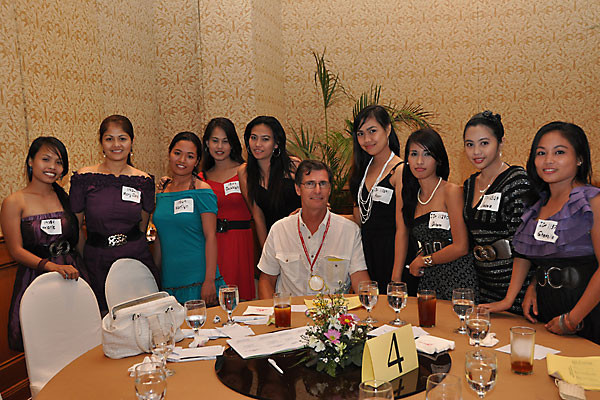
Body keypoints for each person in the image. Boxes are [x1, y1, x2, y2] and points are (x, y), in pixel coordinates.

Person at [484, 122, 600, 344]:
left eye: (559, 152)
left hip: (586, 312)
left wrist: (572, 320)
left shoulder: (592, 201)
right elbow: (530, 253)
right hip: (547, 311)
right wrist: (519, 293)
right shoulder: (537, 205)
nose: (548, 160)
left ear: (579, 158)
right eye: (541, 153)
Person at [2, 137, 86, 351]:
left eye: (59, 162)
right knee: (46, 344)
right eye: (46, 159)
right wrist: (52, 267)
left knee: (80, 339)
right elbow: (15, 250)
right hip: (36, 278)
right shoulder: (14, 202)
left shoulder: (65, 198)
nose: (52, 167)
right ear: (31, 161)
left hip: (73, 275)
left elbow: (78, 238)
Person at [70, 115, 158, 312]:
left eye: (122, 138)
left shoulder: (143, 180)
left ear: (131, 141)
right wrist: (88, 256)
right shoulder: (85, 178)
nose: (116, 145)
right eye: (109, 139)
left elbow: (142, 226)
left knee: (143, 315)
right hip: (97, 260)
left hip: (135, 257)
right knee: (104, 317)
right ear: (101, 143)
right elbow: (76, 227)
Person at [257, 160, 370, 298]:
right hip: (291, 309)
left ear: (330, 189)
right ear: (298, 189)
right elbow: (267, 280)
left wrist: (368, 303)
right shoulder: (280, 230)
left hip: (333, 309)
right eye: (310, 184)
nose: (317, 190)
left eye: (323, 184)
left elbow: (360, 279)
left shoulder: (349, 231)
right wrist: (272, 310)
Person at [462, 111, 531, 314]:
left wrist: (508, 300)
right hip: (483, 288)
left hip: (516, 291)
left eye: (484, 143)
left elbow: (523, 244)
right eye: (469, 144)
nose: (476, 151)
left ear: (501, 143)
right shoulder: (469, 185)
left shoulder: (517, 180)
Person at [402, 128, 478, 301]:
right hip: (429, 279)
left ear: (438, 159)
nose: (419, 161)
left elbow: (461, 246)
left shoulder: (451, 191)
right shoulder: (412, 198)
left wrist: (425, 261)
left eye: (427, 154)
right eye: (414, 154)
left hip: (458, 276)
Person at [153, 131, 225, 304]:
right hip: (169, 278)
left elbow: (210, 237)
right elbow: (160, 236)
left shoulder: (202, 191)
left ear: (197, 161)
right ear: (169, 154)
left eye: (190, 156)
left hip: (198, 279)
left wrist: (209, 281)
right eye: (177, 153)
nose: (182, 160)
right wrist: (155, 275)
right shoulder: (161, 191)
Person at [348, 105, 411, 294]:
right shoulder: (361, 170)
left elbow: (402, 229)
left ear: (388, 129)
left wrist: (396, 277)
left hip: (392, 255)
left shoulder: (400, 170)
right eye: (361, 134)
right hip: (367, 254)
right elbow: (361, 219)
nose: (367, 139)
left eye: (372, 131)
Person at [200, 118, 254, 300]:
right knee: (214, 299)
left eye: (225, 141)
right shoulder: (199, 178)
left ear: (233, 144)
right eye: (215, 140)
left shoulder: (246, 171)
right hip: (211, 243)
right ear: (207, 143)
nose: (219, 146)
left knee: (240, 300)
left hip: (240, 242)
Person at [238, 116, 301, 248]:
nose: (257, 144)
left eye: (265, 139)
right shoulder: (244, 172)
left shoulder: (293, 165)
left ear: (276, 143)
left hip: (300, 234)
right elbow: (257, 215)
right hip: (274, 238)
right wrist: (266, 251)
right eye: (253, 138)